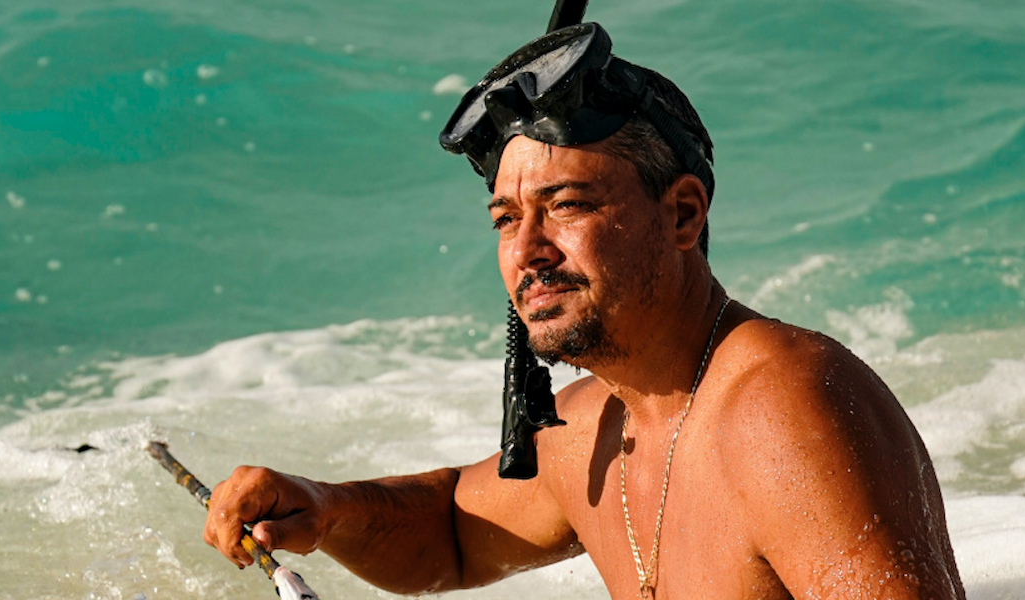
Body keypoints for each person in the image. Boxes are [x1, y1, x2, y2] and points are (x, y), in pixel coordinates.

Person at [204, 22, 967, 599]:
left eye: (566, 204)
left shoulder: (779, 408)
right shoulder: (602, 426)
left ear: (682, 214)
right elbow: (454, 535)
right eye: (506, 219)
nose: (527, 250)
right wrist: (326, 508)